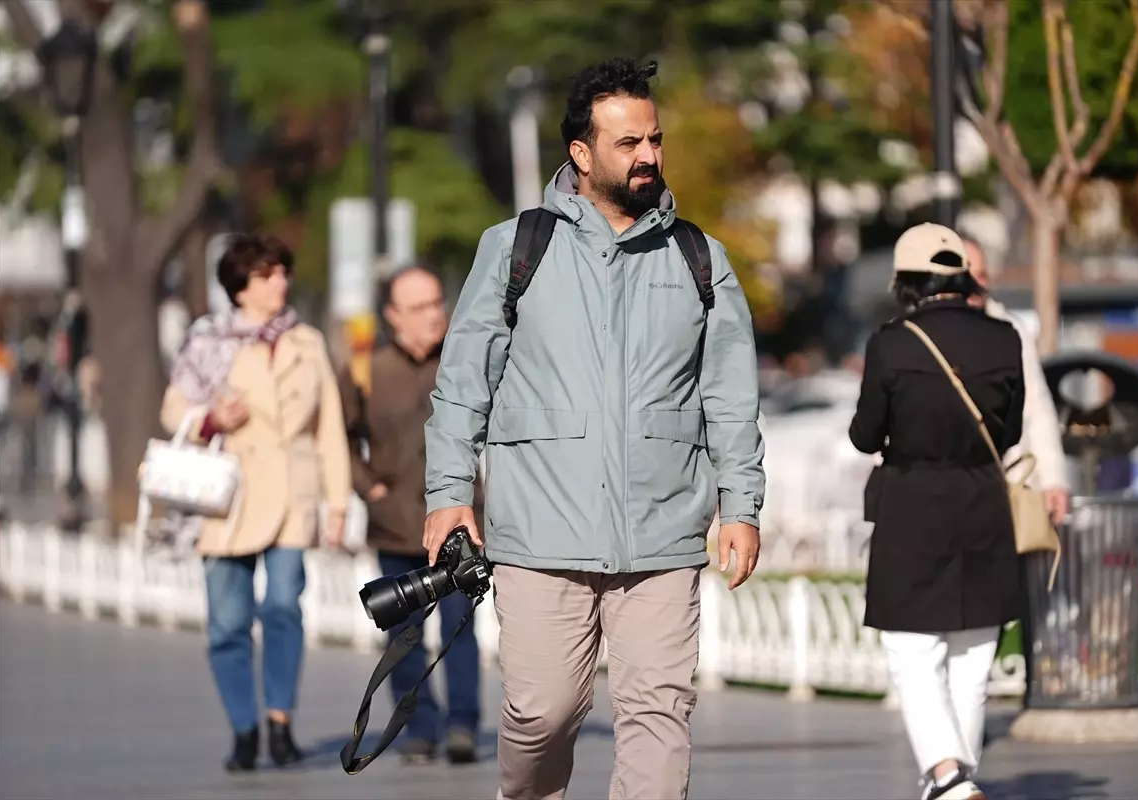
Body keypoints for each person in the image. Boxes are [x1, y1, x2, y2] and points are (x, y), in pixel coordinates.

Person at [422, 57, 765, 800]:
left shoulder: (700, 258)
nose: (648, 156)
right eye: (627, 143)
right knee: (542, 712)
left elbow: (731, 395)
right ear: (581, 153)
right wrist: (449, 494)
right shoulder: (516, 248)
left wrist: (741, 505)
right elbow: (461, 384)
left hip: (663, 533)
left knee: (658, 713)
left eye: (654, 139)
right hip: (541, 532)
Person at [160, 233, 352, 772]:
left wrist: (337, 505)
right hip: (227, 498)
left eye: (283, 273)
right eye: (268, 275)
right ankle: (244, 728)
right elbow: (173, 408)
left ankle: (280, 720)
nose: (281, 283)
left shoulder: (307, 342)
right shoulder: (208, 342)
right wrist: (212, 420)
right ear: (240, 286)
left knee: (284, 606)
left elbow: (330, 429)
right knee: (226, 623)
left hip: (294, 495)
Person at [849, 223, 1026, 800]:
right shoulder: (1006, 339)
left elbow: (865, 434)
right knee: (973, 659)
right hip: (983, 502)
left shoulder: (892, 343)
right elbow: (1012, 431)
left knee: (913, 652)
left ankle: (948, 777)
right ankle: (956, 780)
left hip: (913, 506)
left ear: (908, 281)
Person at [338, 266, 483, 765]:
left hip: (460, 524)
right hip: (396, 522)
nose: (434, 314)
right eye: (420, 306)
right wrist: (368, 489)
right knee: (404, 636)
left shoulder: (465, 361)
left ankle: (463, 724)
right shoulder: (366, 369)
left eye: (438, 301)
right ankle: (419, 727)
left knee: (460, 627)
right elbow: (338, 436)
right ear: (393, 315)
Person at [962, 236, 1070, 523]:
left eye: (982, 275)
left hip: (1009, 489)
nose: (978, 284)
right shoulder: (924, 336)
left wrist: (1053, 480)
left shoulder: (1012, 330)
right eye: (968, 275)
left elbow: (1037, 408)